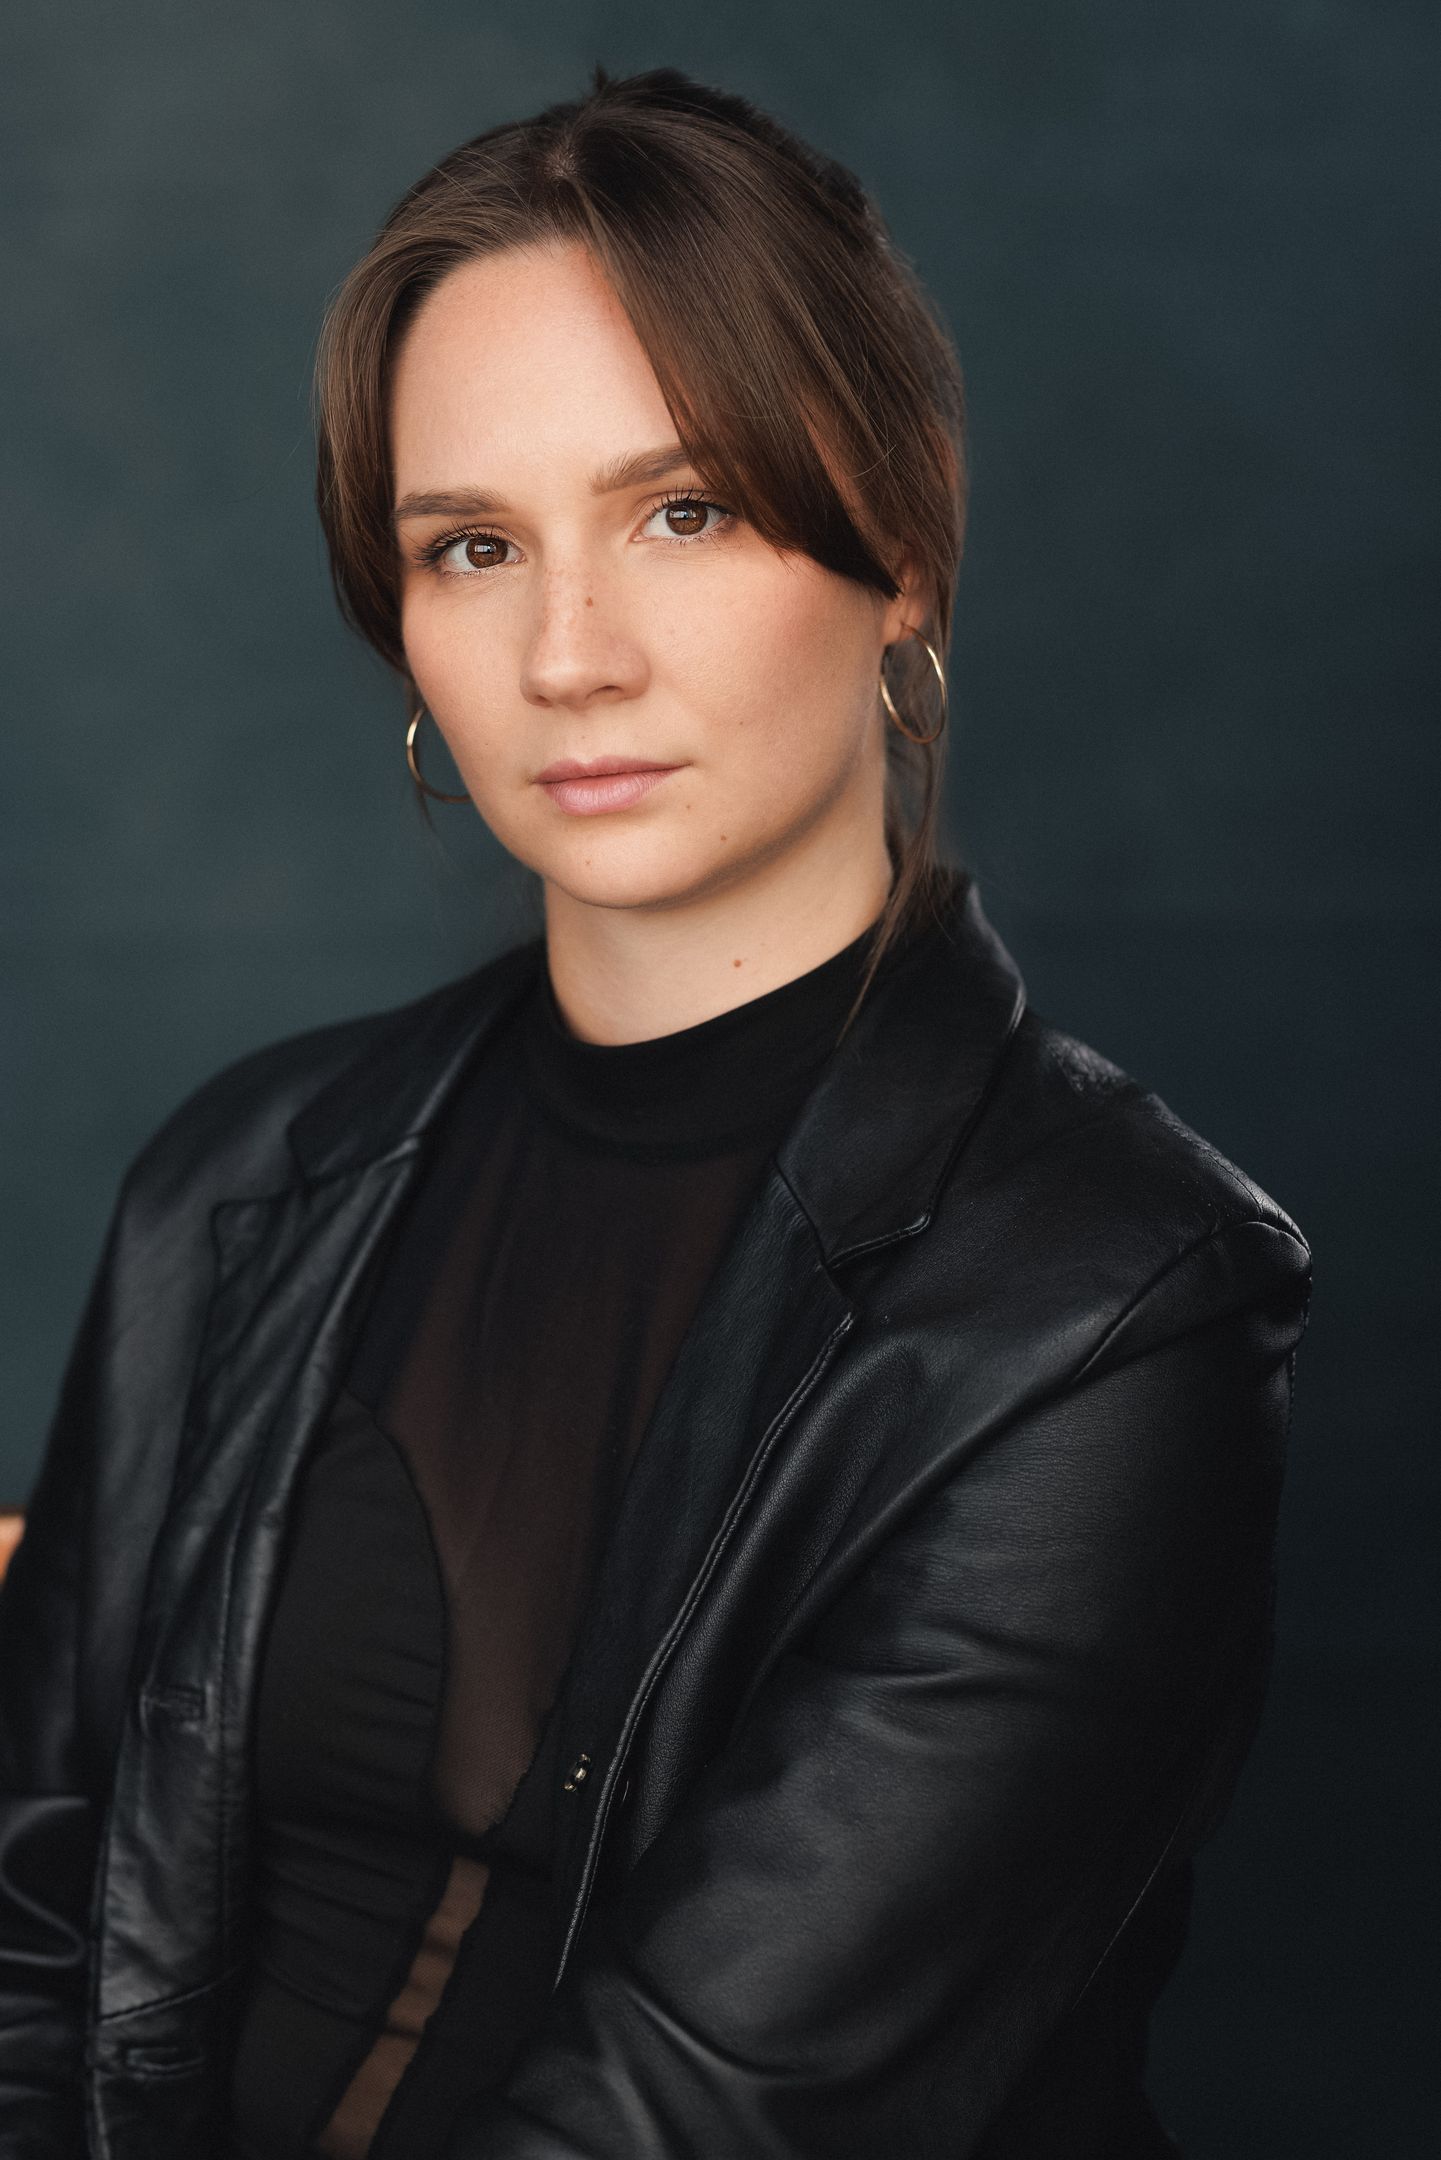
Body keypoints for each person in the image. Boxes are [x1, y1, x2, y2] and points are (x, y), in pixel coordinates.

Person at [0, 64, 1312, 2160]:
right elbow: (37, 1945)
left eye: (680, 511)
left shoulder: (1109, 1310)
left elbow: (695, 2119)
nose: (567, 654)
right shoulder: (242, 1181)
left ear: (901, 548)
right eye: (472, 545)